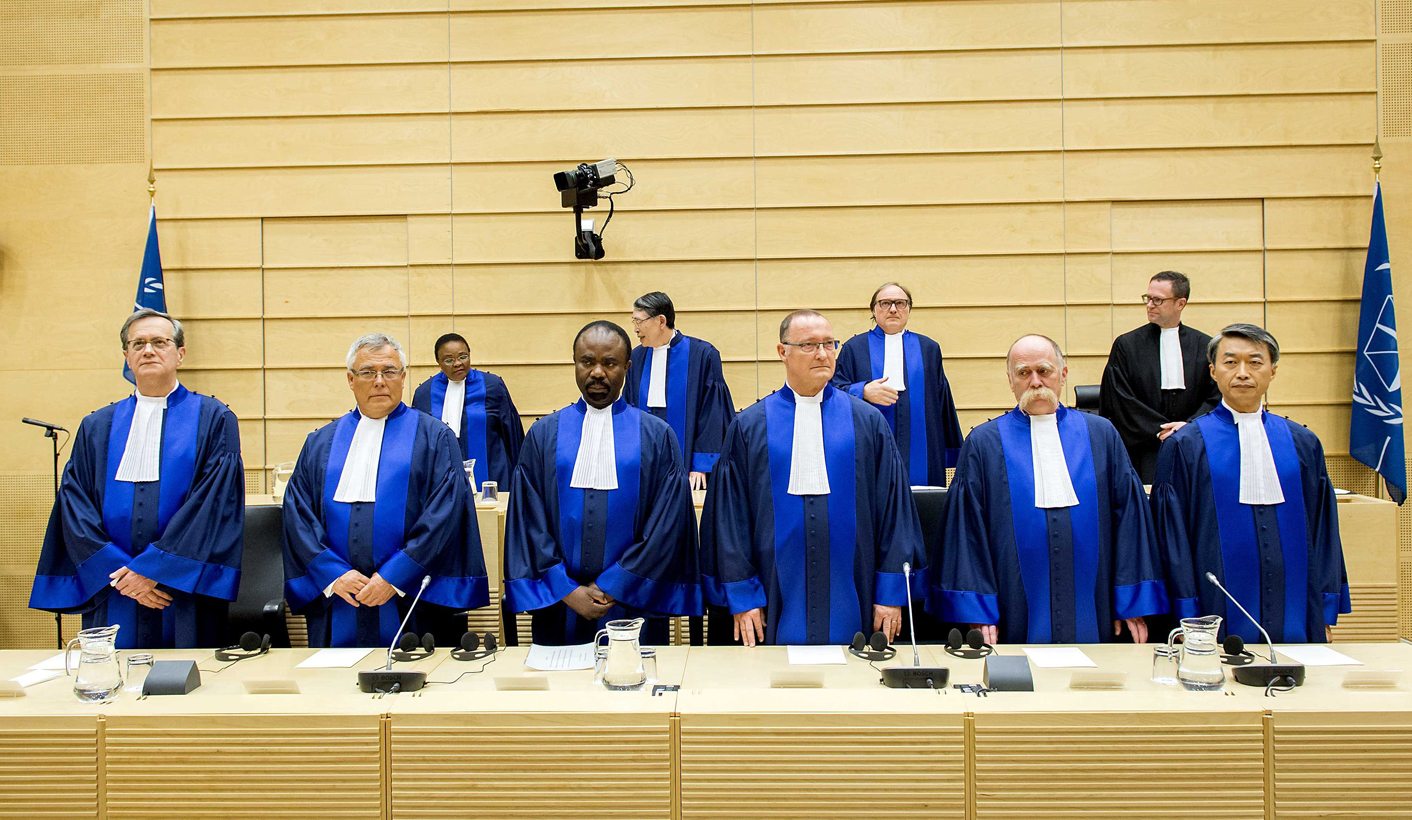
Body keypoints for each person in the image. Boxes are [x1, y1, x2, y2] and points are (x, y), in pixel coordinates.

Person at [700, 310, 924, 646]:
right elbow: (729, 521)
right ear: (782, 351)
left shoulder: (869, 423)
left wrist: (891, 592)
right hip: (769, 596)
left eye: (828, 344)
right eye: (808, 345)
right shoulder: (749, 426)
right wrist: (743, 596)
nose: (822, 353)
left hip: (856, 587)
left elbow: (895, 513)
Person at [931, 334, 1167, 644]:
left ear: (1063, 374)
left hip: (1095, 600)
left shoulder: (1102, 435)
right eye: (1023, 373)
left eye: (1044, 370)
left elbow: (1130, 521)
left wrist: (1131, 601)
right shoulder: (984, 443)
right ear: (1010, 381)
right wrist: (978, 609)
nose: (1035, 381)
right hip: (1011, 603)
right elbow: (966, 531)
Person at [30, 309, 244, 649]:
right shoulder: (97, 426)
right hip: (114, 587)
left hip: (181, 589)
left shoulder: (214, 419)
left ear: (180, 354)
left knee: (188, 687)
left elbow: (213, 506)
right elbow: (75, 506)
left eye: (159, 342)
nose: (148, 350)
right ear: (126, 357)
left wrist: (154, 569)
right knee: (111, 683)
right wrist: (119, 572)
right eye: (138, 343)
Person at [281, 333, 488, 647]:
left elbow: (444, 518)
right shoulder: (320, 443)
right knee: (332, 690)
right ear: (351, 380)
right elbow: (298, 518)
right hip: (340, 598)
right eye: (367, 372)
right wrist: (335, 575)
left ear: (403, 378)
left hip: (414, 599)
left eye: (389, 371)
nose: (379, 381)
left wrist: (394, 576)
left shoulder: (434, 438)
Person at [503, 321, 701, 646]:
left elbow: (669, 523)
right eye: (587, 361)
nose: (597, 372)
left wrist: (615, 583)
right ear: (574, 364)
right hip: (560, 601)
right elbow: (529, 520)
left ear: (627, 366)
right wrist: (567, 589)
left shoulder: (656, 436)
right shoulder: (544, 434)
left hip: (635, 598)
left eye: (609, 363)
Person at [1151, 323, 1350, 644]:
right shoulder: (1185, 445)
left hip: (1297, 604)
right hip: (1212, 611)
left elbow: (1324, 531)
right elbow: (1171, 539)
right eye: (1230, 362)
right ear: (1213, 371)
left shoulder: (1303, 443)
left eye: (1255, 362)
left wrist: (1326, 607)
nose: (1242, 372)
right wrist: (1187, 612)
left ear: (1273, 370)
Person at [833, 283, 963, 486]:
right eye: (885, 303)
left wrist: (954, 454)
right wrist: (862, 391)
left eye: (900, 303)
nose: (893, 309)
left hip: (923, 452)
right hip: (869, 446)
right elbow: (833, 391)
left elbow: (943, 402)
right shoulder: (854, 348)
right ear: (874, 310)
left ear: (909, 309)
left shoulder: (928, 348)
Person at [1100, 270, 1221, 483]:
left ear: (1180, 303)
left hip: (1194, 441)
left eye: (1158, 300)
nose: (1149, 305)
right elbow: (1119, 399)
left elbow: (1216, 396)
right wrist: (1159, 430)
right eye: (1148, 298)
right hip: (1143, 447)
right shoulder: (1127, 345)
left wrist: (1190, 426)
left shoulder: (1205, 345)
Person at [623, 292, 736, 490]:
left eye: (639, 322)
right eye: (634, 321)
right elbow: (629, 411)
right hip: (645, 464)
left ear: (661, 321)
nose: (635, 329)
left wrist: (700, 465)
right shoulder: (636, 357)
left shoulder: (702, 355)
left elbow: (712, 414)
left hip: (690, 469)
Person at [411, 332, 524, 490]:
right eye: (449, 360)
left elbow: (512, 435)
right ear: (438, 362)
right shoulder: (425, 393)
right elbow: (420, 444)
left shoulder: (492, 386)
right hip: (441, 481)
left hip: (492, 476)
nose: (457, 363)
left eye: (463, 356)